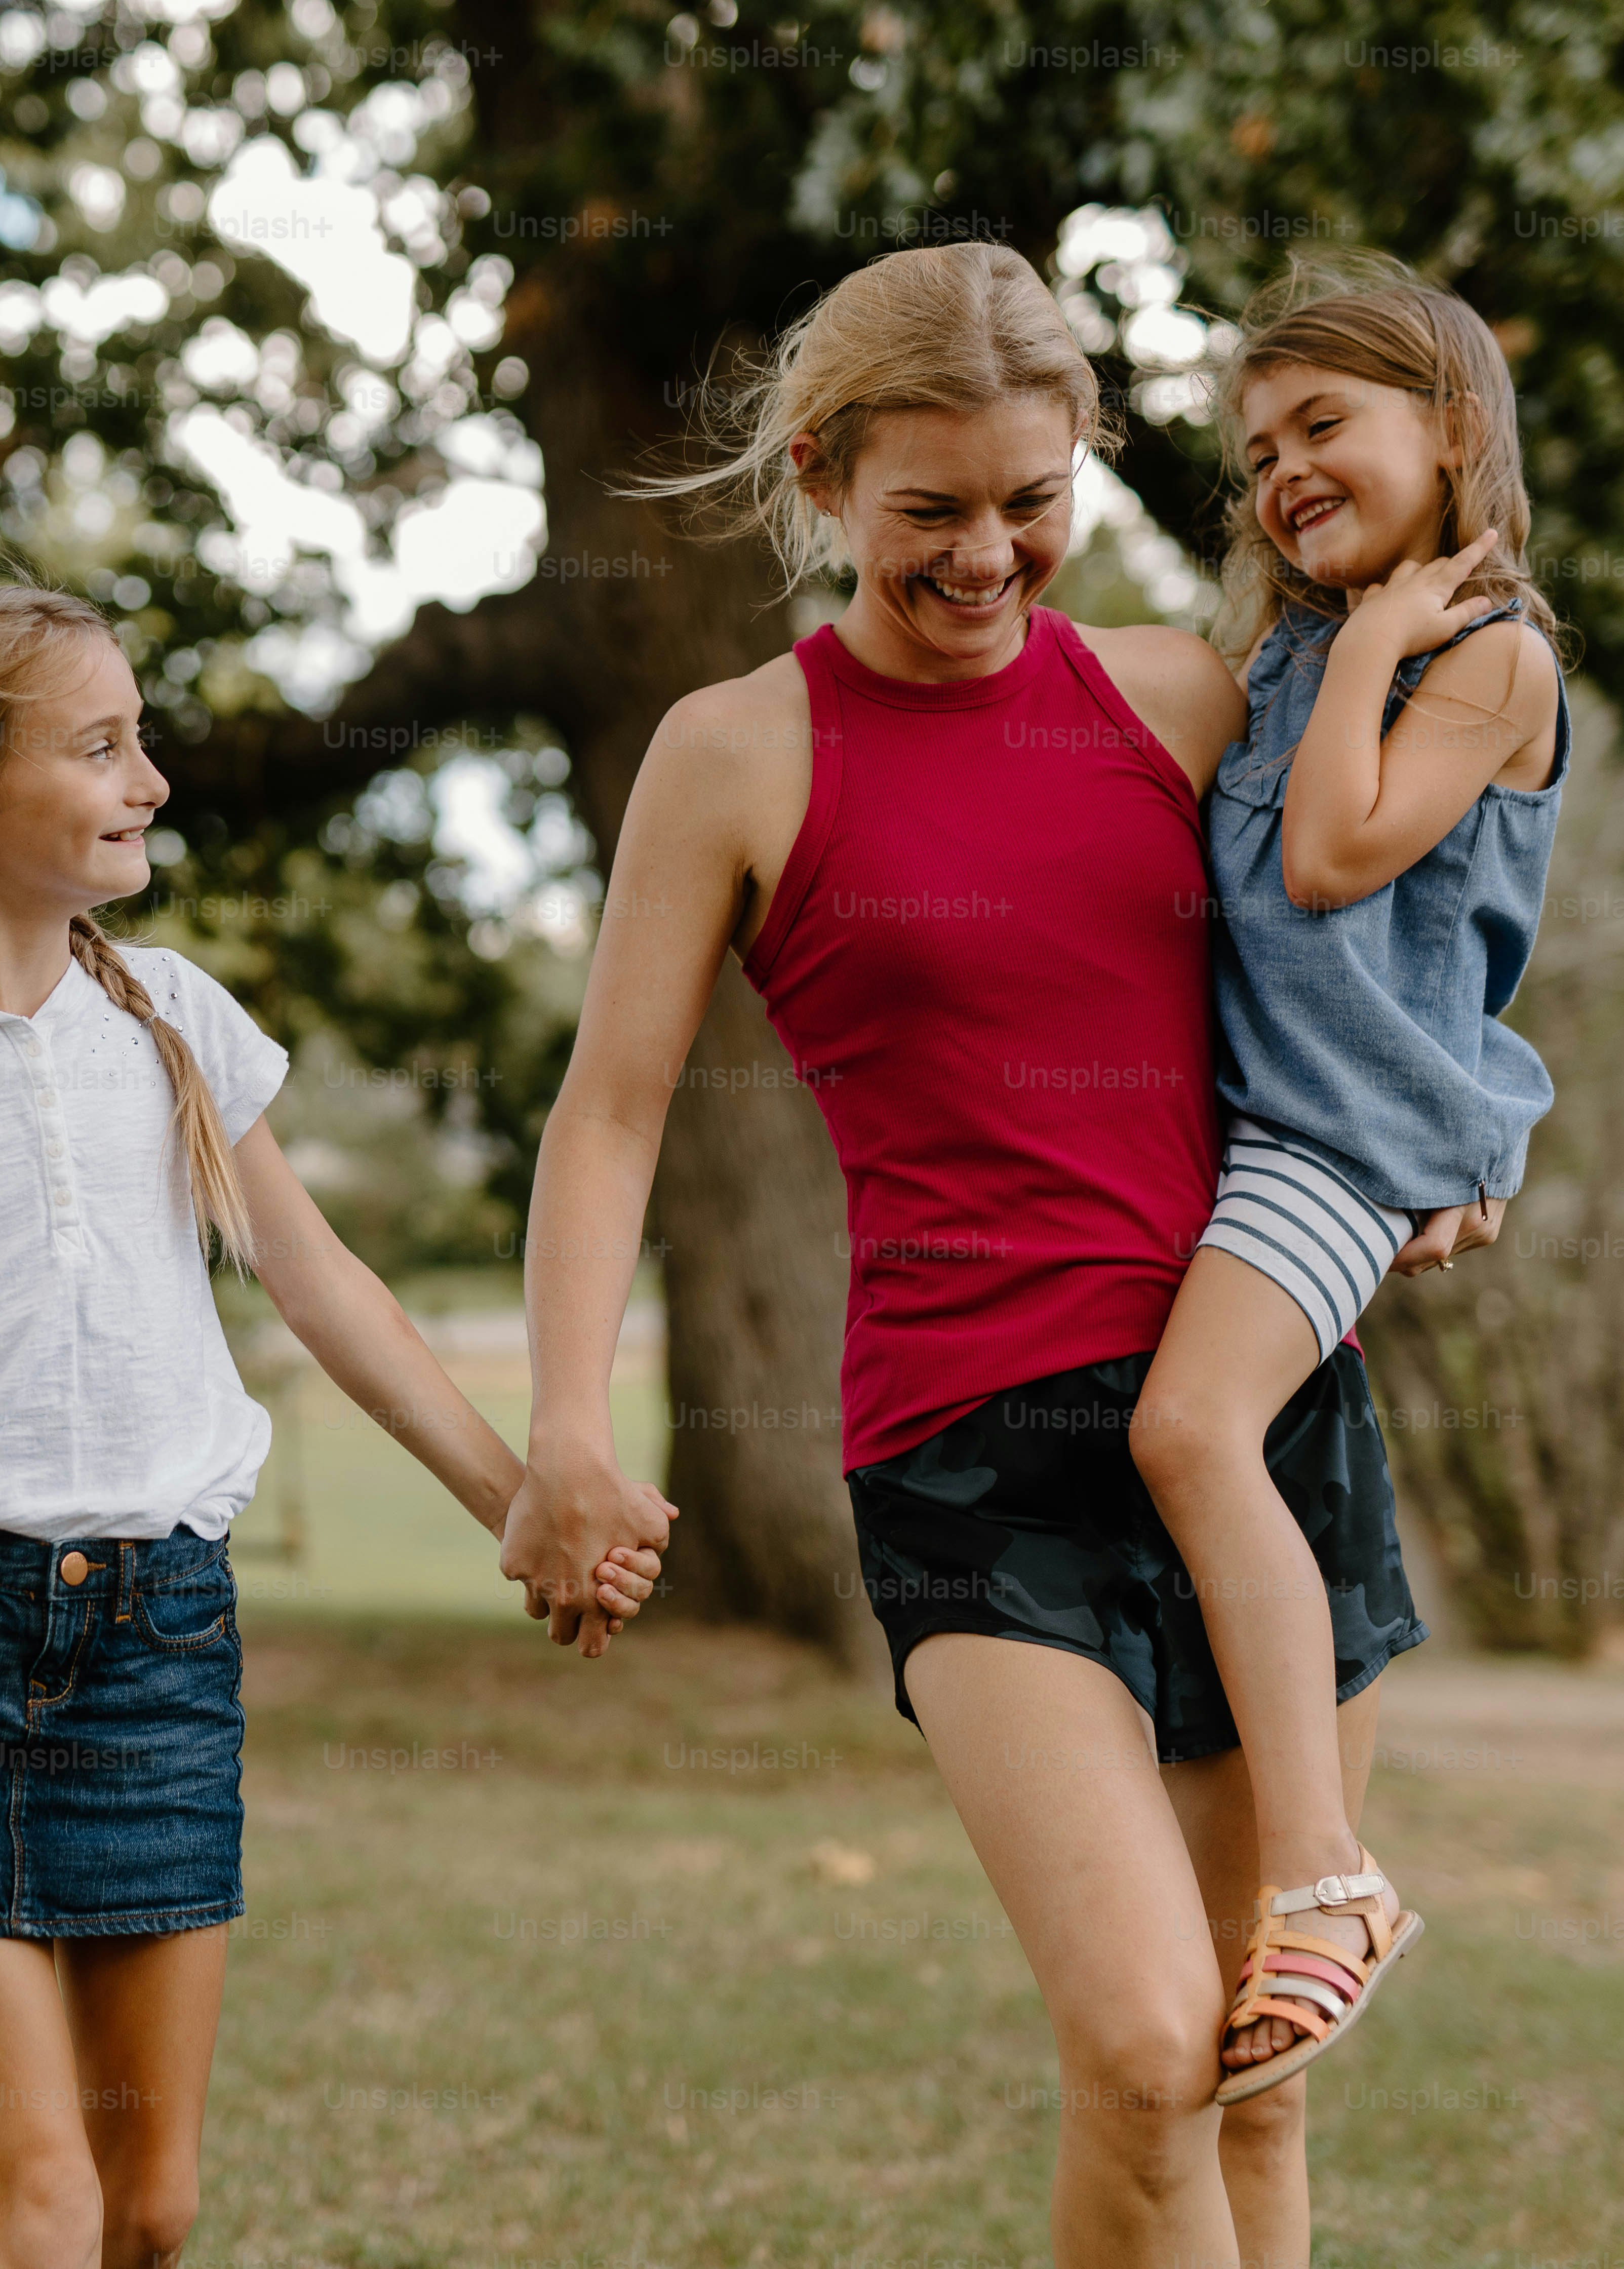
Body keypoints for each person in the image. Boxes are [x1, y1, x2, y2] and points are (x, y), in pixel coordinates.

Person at [497, 242, 1468, 2266]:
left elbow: (1382, 930)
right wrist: (568, 1422)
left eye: (1032, 501)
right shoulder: (739, 751)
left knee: (1261, 2091)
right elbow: (611, 1108)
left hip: (1258, 1426)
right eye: (931, 509)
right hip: (967, 1458)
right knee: (1142, 2049)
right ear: (829, 478)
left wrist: (1451, 1142)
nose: (988, 554)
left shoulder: (1188, 693)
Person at [0, 579, 666, 2269]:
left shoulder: (170, 1014)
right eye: (100, 747)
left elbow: (323, 1288)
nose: (152, 779)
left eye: (142, 738)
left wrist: (519, 1501)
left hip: (159, 1649)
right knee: (42, 2200)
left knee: (149, 2208)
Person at [1128, 255, 1568, 2104]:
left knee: (1189, 1434)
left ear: (1453, 430)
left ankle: (1326, 1878)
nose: (1285, 471)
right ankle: (1275, 1854)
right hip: (1269, 1131)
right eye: (1258, 452)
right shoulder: (1286, 656)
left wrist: (1381, 644)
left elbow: (1327, 862)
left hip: (1346, 1143)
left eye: (1326, 426)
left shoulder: (1487, 658)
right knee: (1203, 1462)